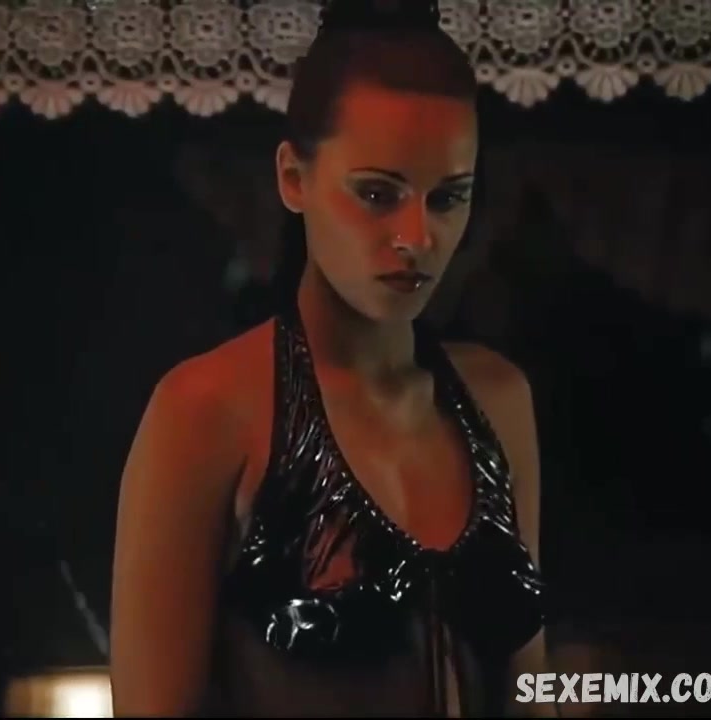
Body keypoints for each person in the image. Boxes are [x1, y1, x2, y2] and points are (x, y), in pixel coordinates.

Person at [108, 0, 558, 716]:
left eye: (449, 198)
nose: (417, 236)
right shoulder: (205, 412)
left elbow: (532, 692)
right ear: (294, 178)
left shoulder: (499, 399)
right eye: (377, 194)